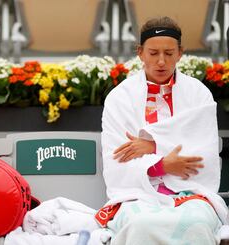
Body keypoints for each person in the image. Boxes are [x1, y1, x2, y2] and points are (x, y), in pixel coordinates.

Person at [97, 16, 229, 244]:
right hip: (136, 195)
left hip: (192, 193)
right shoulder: (119, 98)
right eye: (153, 53)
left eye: (169, 54)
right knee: (140, 224)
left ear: (180, 53)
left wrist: (152, 145)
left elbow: (204, 152)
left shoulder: (199, 93)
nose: (161, 62)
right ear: (140, 52)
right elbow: (116, 161)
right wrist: (162, 165)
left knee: (196, 222)